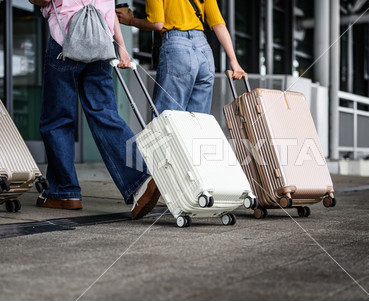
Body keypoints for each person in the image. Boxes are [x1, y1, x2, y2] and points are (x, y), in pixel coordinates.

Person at [29, 0, 160, 219]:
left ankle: (65, 192)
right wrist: (122, 47)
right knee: (105, 114)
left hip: (66, 42)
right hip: (101, 44)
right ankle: (140, 181)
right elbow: (108, 10)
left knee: (57, 120)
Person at [116, 0, 245, 115]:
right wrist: (233, 60)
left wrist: (131, 20)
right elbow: (219, 25)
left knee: (167, 119)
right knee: (198, 122)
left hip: (177, 49)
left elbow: (156, 23)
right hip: (204, 52)